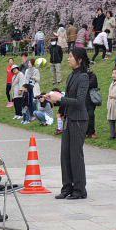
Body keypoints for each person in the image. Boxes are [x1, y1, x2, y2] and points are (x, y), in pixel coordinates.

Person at [46, 48, 90, 200]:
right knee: (65, 154)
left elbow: (79, 101)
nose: (68, 59)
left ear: (80, 60)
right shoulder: (71, 75)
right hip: (69, 118)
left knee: (75, 155)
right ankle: (67, 187)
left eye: (71, 56)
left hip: (79, 120)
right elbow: (67, 98)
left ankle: (79, 189)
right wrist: (52, 100)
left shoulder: (84, 77)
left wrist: (59, 98)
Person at [85, 68, 99, 139]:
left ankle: (92, 132)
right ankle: (86, 132)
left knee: (90, 115)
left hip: (91, 99)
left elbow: (91, 84)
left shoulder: (92, 75)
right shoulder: (81, 75)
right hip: (83, 99)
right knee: (84, 116)